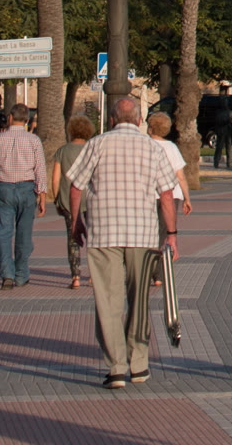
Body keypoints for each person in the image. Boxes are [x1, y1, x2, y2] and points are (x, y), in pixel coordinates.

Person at [67, 97, 180, 389]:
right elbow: (167, 194)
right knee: (139, 300)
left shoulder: (97, 144)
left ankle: (116, 367)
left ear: (112, 119)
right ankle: (139, 364)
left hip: (104, 233)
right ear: (139, 120)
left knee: (108, 301)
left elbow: (76, 186)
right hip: (142, 235)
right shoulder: (153, 148)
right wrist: (171, 234)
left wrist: (76, 222)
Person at [0, 108, 47, 289]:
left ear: (10, 118)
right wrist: (42, 195)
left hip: (3, 188)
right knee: (24, 234)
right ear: (26, 120)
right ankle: (21, 274)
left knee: (3, 233)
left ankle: (7, 273)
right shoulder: (34, 140)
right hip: (27, 189)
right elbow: (40, 169)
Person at [48, 115, 95, 290]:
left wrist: (56, 197)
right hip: (90, 199)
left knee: (72, 237)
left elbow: (55, 178)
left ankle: (75, 276)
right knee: (93, 237)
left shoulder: (62, 151)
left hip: (69, 199)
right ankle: (93, 274)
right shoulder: (91, 149)